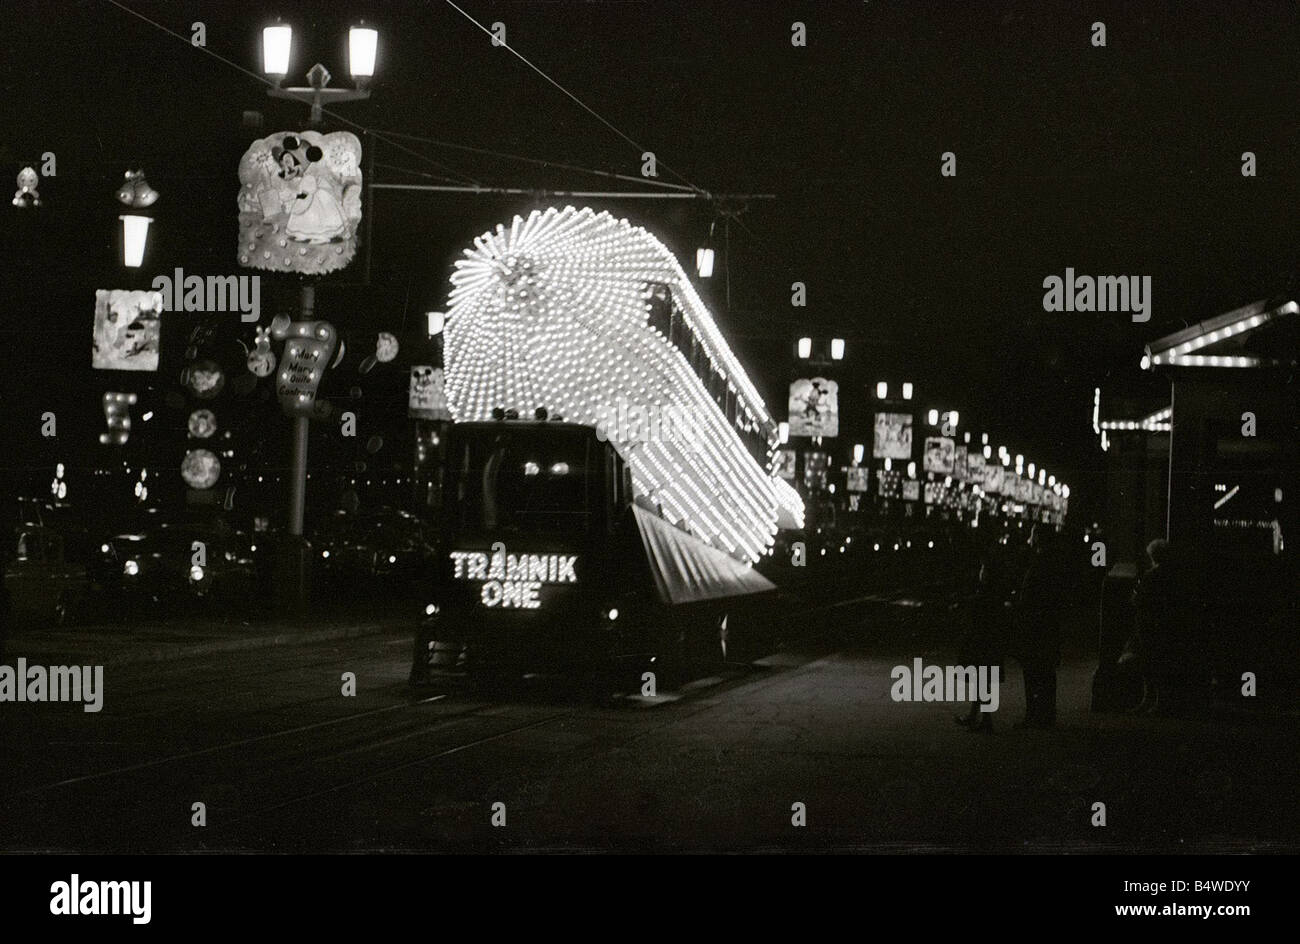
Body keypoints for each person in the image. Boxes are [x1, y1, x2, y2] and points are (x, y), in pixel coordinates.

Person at [955, 538, 1013, 732]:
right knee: (982, 679)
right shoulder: (994, 593)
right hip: (989, 641)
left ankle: (985, 719)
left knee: (982, 679)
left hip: (983, 641)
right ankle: (976, 715)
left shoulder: (986, 594)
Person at [1011, 524, 1065, 729]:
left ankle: (1034, 715)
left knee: (1033, 673)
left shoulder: (1038, 563)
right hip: (1048, 625)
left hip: (1035, 626)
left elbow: (1030, 597)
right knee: (1046, 673)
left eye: (1033, 534)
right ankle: (1047, 714)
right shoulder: (1053, 561)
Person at [1130, 538, 1179, 713]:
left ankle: (1149, 699)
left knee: (1148, 662)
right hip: (1163, 623)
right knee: (1160, 662)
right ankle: (1159, 700)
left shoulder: (1151, 575)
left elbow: (1138, 598)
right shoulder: (1172, 576)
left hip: (1149, 623)